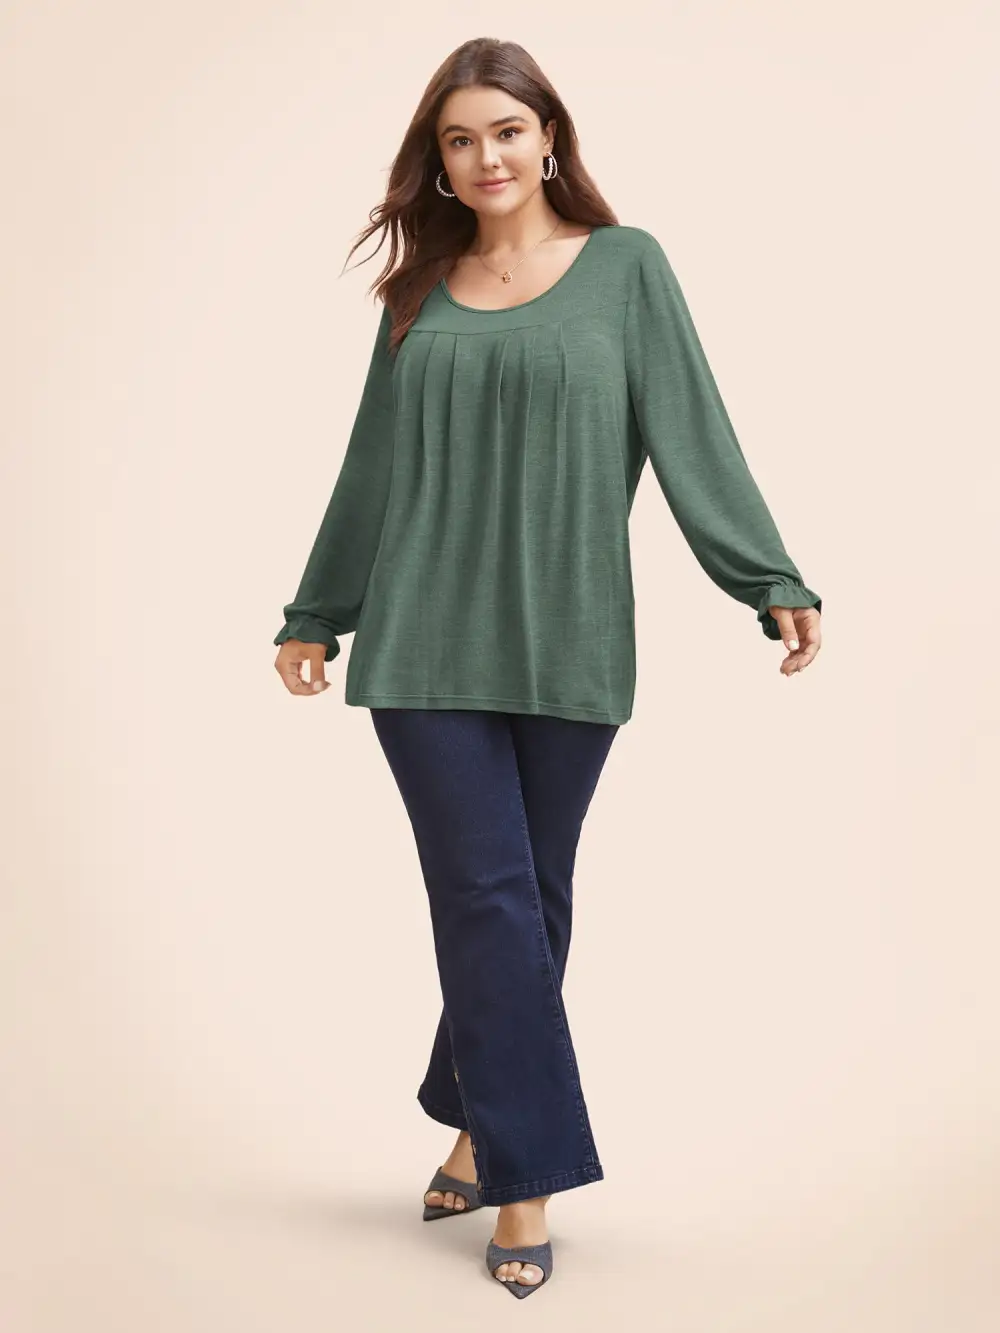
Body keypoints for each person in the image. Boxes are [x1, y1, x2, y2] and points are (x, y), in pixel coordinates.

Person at [272, 38, 823, 1298]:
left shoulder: (626, 268)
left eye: (506, 131)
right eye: (460, 139)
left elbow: (693, 429)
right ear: (438, 160)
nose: (487, 157)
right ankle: (524, 1181)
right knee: (488, 899)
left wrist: (767, 579)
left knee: (531, 901)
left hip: (569, 637)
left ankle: (472, 1117)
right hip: (422, 642)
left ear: (549, 137)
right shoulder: (418, 291)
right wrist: (317, 612)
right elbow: (370, 464)